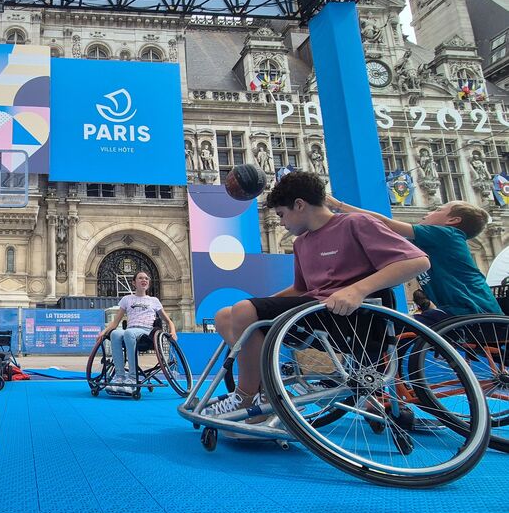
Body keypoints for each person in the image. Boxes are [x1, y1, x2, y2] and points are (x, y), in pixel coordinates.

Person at [205, 171, 430, 417]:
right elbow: (302, 289)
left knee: (244, 310)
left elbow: (417, 262)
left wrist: (358, 289)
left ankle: (246, 397)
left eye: (282, 214)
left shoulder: (356, 223)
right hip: (315, 314)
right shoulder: (301, 243)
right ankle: (267, 392)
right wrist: (253, 307)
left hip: (356, 317)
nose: (281, 223)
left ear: (299, 205)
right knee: (226, 315)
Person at [324, 198, 502, 317]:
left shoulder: (448, 234)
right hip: (460, 313)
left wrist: (339, 206)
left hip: (471, 312)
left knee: (399, 329)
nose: (428, 213)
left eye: (437, 210)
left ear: (452, 220)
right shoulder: (434, 240)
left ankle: (380, 370)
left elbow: (385, 223)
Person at [99, 271, 177, 393]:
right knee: (115, 333)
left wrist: (173, 331)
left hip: (146, 332)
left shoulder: (154, 300)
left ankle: (132, 378)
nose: (144, 280)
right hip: (130, 329)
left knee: (128, 333)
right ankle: (119, 376)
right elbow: (115, 322)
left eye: (146, 278)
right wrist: (103, 332)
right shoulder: (127, 299)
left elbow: (168, 321)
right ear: (134, 282)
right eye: (140, 278)